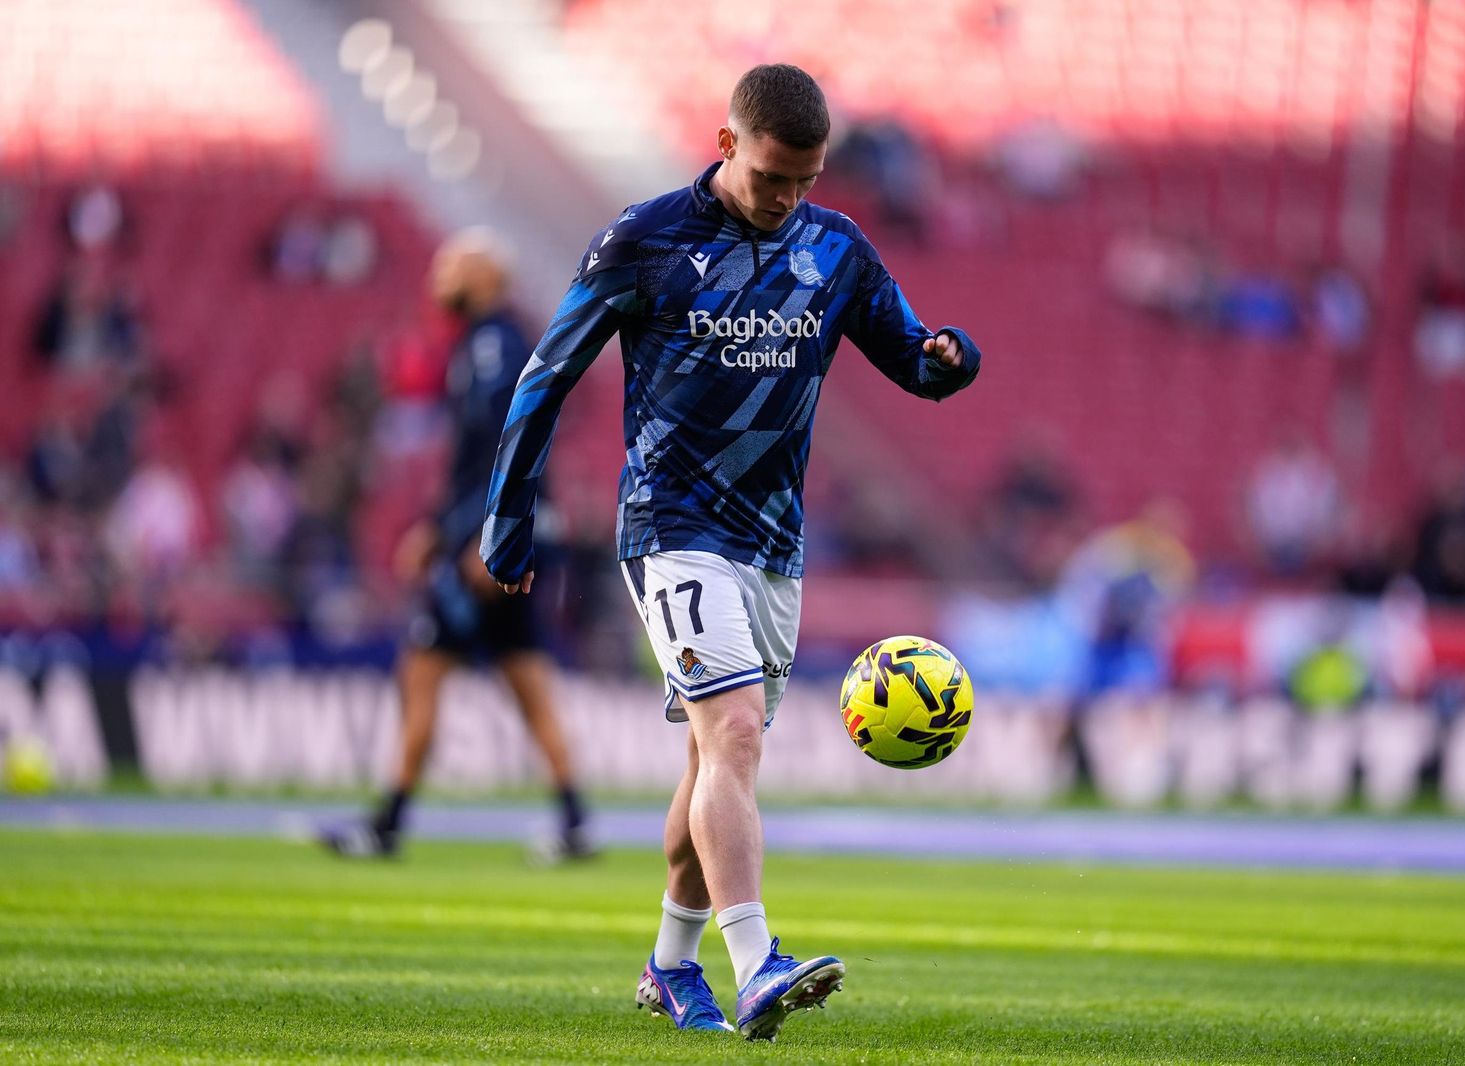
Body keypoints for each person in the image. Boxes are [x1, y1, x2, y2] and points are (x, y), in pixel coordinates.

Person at [479, 65, 981, 1041]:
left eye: (805, 180)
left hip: (772, 542)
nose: (787, 198)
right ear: (725, 144)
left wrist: (952, 357)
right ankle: (757, 964)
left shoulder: (835, 248)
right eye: (770, 177)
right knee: (737, 732)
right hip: (671, 525)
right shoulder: (645, 239)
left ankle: (671, 965)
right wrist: (509, 515)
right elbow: (546, 376)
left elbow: (914, 360)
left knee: (717, 758)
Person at [322, 228, 592, 861]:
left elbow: (506, 443)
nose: (440, 278)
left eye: (454, 267)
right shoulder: (483, 343)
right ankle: (574, 821)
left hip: (488, 542)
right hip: (500, 533)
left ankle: (386, 825)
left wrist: (475, 535)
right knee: (525, 676)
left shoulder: (494, 346)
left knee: (424, 668)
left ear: (488, 276)